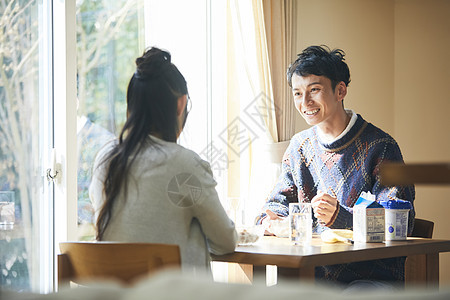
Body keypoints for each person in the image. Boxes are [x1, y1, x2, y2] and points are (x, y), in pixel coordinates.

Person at [257, 45, 415, 287]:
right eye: (297, 94)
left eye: (315, 90)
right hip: (308, 277)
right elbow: (275, 204)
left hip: (367, 279)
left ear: (340, 90)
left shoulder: (381, 146)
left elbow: (400, 222)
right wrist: (271, 221)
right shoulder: (299, 146)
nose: (305, 102)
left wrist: (342, 218)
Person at [89, 47, 237, 275]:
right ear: (181, 104)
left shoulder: (106, 159)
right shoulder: (185, 165)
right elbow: (225, 242)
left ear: (131, 107)